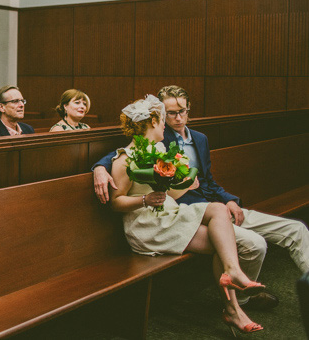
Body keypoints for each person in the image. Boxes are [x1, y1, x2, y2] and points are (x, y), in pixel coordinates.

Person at [94, 85, 309, 311]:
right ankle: (241, 302)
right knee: (254, 244)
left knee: (296, 230)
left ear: (189, 110)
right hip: (186, 210)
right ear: (160, 117)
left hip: (214, 206)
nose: (178, 118)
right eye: (171, 113)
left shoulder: (200, 138)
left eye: (182, 111)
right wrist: (100, 166)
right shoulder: (157, 137)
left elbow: (208, 180)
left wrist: (229, 200)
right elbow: (126, 152)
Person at [110, 95, 265, 335]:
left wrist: (186, 182)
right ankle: (232, 309)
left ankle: (232, 273)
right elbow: (116, 202)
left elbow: (168, 190)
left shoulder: (159, 149)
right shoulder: (124, 159)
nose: (165, 126)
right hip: (149, 227)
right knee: (220, 243)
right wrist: (144, 199)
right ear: (153, 121)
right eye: (162, 120)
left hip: (170, 215)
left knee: (218, 209)